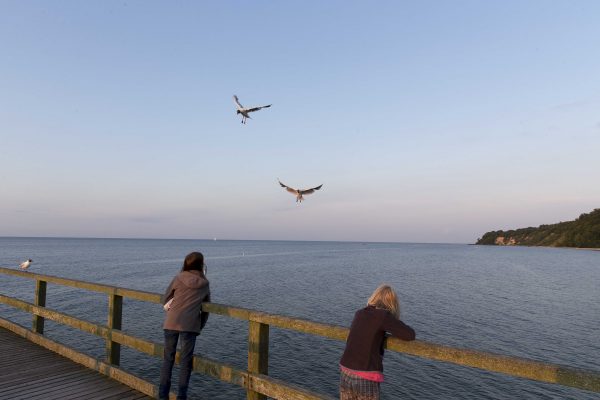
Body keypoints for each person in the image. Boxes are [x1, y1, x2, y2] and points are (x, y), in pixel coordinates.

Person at [339, 284, 415, 400]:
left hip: (346, 371)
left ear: (374, 297)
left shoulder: (359, 313)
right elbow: (409, 334)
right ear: (391, 304)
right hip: (365, 376)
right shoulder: (383, 316)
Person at [159, 252, 211, 400]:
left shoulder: (178, 278)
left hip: (171, 322)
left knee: (168, 360)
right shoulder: (205, 283)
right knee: (185, 363)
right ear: (201, 265)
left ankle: (163, 396)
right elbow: (207, 308)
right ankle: (182, 396)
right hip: (190, 326)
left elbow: (165, 298)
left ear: (186, 263)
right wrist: (199, 326)